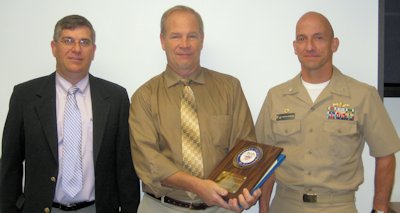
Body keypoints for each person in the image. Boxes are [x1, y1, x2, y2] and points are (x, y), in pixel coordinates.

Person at [256, 11, 400, 213]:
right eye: (302, 39)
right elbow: (266, 161)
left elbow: (385, 154)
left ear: (334, 44)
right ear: (295, 47)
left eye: (319, 38)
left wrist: (380, 209)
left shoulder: (363, 95)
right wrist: (263, 209)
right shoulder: (276, 97)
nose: (309, 47)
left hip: (338, 206)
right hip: (285, 205)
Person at [0, 15, 141, 213]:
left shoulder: (115, 97)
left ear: (93, 50)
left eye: (84, 42)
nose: (76, 49)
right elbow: (10, 164)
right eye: (68, 41)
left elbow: (126, 167)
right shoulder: (26, 96)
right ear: (53, 47)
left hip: (96, 208)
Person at [129, 5, 261, 213]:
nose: (184, 44)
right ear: (163, 41)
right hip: (161, 207)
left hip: (220, 207)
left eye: (192, 36)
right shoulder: (144, 97)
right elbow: (148, 161)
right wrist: (197, 185)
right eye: (175, 36)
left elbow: (246, 149)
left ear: (202, 40)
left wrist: (242, 191)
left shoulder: (229, 88)